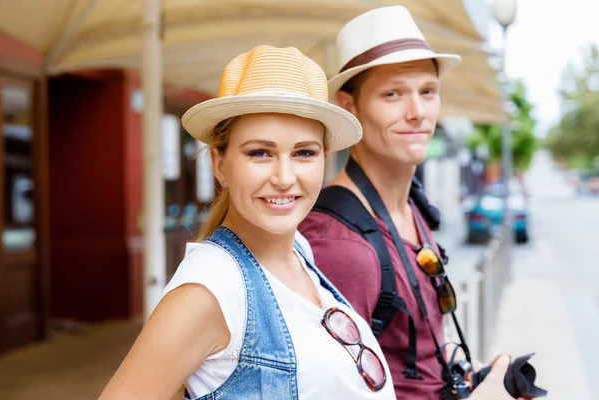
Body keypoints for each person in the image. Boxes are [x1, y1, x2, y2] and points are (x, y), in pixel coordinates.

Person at [98, 45, 397, 400]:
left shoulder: (299, 251)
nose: (285, 177)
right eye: (260, 152)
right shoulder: (208, 288)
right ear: (220, 165)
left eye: (304, 152)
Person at [299, 6, 526, 400]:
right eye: (393, 94)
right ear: (349, 107)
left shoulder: (412, 207)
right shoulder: (338, 244)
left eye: (428, 91)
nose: (418, 112)